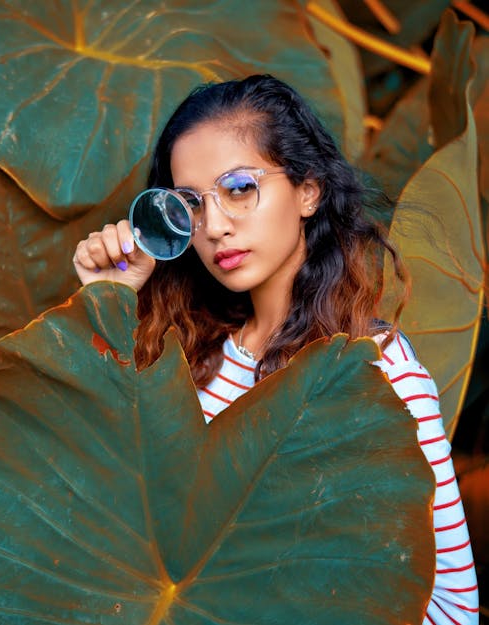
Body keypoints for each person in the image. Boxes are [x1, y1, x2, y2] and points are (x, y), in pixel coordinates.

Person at [73, 74, 478, 624]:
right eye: (190, 204)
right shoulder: (190, 354)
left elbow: (454, 609)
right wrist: (111, 300)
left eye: (240, 188)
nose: (214, 226)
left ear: (308, 191)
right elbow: (95, 515)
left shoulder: (376, 371)